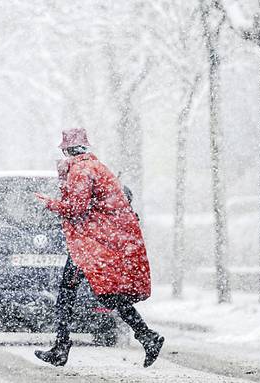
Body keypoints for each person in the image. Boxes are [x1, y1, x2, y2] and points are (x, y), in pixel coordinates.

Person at [34, 128, 164, 368]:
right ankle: (147, 337)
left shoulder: (81, 171)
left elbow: (77, 208)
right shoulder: (94, 166)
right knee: (106, 295)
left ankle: (62, 348)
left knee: (70, 295)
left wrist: (50, 204)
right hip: (100, 241)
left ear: (67, 150)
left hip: (92, 244)